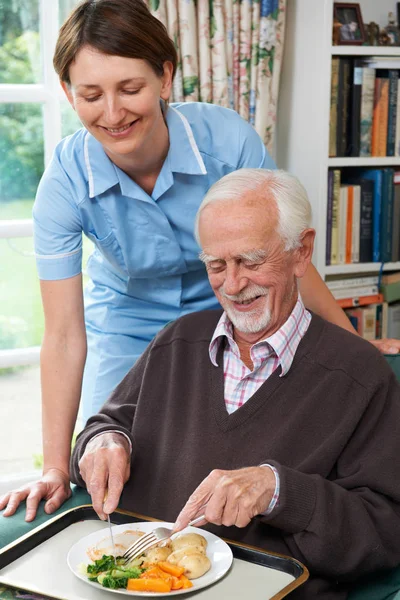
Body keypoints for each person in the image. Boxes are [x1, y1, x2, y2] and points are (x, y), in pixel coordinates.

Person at [0, 0, 398, 523]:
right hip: (128, 323)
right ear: (68, 92)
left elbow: (285, 253)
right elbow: (65, 335)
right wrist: (55, 465)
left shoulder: (225, 140)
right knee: (113, 469)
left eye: (130, 89)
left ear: (165, 77)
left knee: (256, 453)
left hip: (232, 305)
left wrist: (354, 349)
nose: (113, 113)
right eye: (91, 95)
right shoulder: (64, 183)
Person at [70, 169, 400, 599]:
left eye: (251, 260)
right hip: (129, 584)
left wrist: (279, 491)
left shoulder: (361, 374)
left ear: (301, 252)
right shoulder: (177, 339)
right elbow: (106, 424)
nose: (233, 284)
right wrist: (104, 442)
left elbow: (386, 533)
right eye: (216, 265)